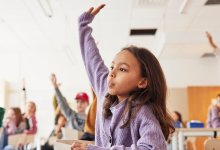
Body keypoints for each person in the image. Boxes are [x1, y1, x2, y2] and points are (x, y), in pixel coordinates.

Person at [71, 4, 175, 149]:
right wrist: (83, 26)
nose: (112, 73)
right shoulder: (104, 91)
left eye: (122, 69)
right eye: (112, 67)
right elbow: (92, 60)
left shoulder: (143, 112)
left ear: (142, 81)